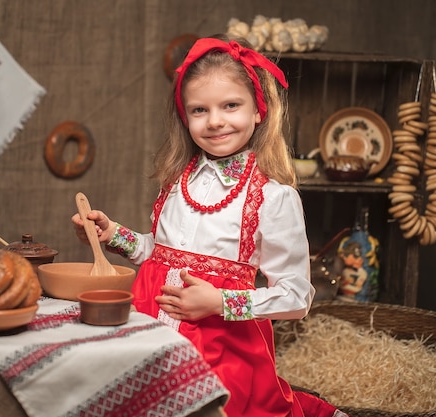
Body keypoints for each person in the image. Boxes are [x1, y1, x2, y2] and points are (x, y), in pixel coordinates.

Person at [72, 35, 348, 417]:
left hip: (220, 349)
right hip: (149, 329)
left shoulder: (273, 197)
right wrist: (114, 234)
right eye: (199, 110)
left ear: (258, 110)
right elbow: (162, 254)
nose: (215, 120)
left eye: (231, 105)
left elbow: (296, 297)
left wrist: (219, 301)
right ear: (186, 118)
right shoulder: (177, 179)